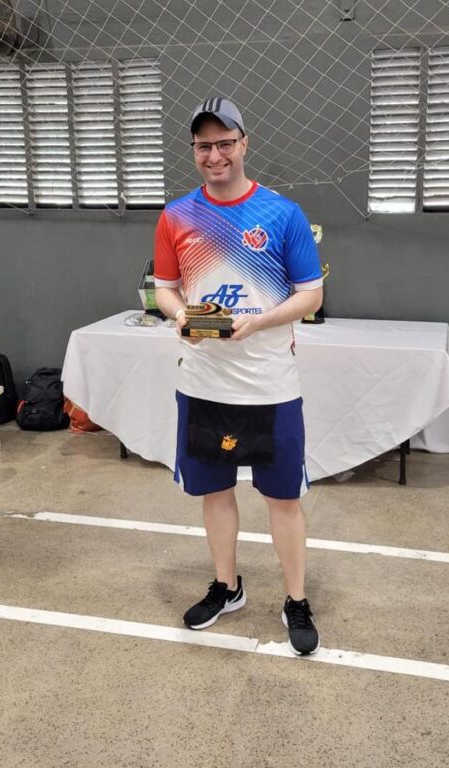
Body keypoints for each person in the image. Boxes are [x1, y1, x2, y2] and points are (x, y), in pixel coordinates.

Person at [153, 97, 324, 655]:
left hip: (271, 385)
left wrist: (260, 322)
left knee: (283, 499)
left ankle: (295, 598)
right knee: (215, 492)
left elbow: (311, 294)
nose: (215, 155)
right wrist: (180, 317)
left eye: (225, 143)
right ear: (194, 151)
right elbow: (165, 288)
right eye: (204, 146)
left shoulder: (282, 214)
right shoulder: (176, 216)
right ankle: (227, 588)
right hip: (203, 381)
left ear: (244, 143)